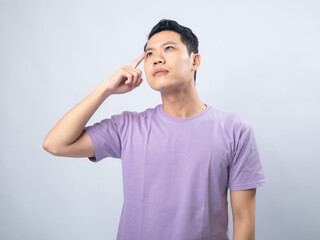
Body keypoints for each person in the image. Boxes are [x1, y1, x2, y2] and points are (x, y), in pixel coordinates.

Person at [43, 19, 267, 240]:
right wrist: (106, 89)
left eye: (168, 48)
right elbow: (55, 144)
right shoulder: (127, 127)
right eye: (149, 54)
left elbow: (243, 219)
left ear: (195, 61)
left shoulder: (235, 130)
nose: (156, 59)